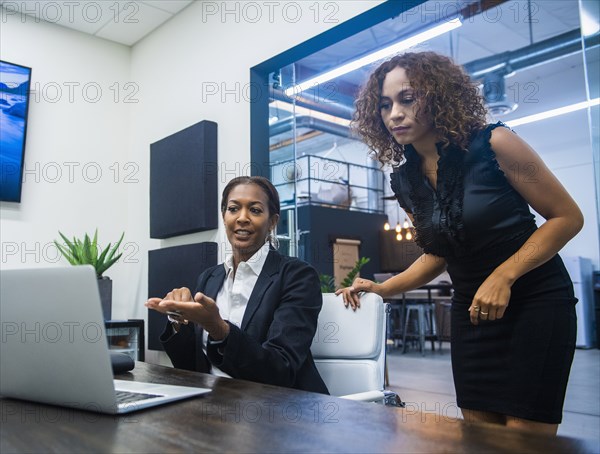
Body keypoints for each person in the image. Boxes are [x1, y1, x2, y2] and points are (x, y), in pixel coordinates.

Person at [337, 52, 583, 434]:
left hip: (536, 303)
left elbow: (567, 217)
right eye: (384, 106)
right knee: (480, 436)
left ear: (437, 96)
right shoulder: (405, 180)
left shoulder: (495, 143)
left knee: (522, 438)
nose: (394, 114)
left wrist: (505, 275)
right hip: (471, 314)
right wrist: (383, 288)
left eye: (407, 99)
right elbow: (439, 252)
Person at [146, 176, 328, 394]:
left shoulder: (297, 276)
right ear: (224, 217)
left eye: (256, 210)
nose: (242, 218)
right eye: (233, 209)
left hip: (278, 410)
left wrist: (218, 328)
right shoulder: (209, 277)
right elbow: (192, 367)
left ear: (272, 222)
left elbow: (280, 371)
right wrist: (178, 321)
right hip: (215, 403)